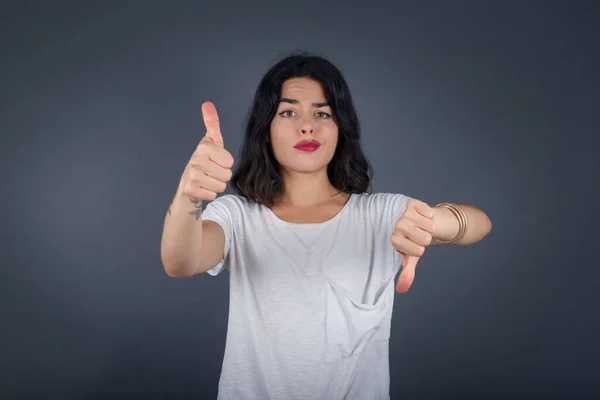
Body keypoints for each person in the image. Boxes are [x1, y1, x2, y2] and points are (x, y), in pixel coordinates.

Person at [160, 53, 492, 400]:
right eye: (288, 112)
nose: (308, 126)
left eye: (323, 113)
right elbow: (180, 262)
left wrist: (436, 221)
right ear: (266, 129)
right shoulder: (237, 216)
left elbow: (480, 225)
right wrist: (188, 195)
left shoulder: (380, 215)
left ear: (341, 129)